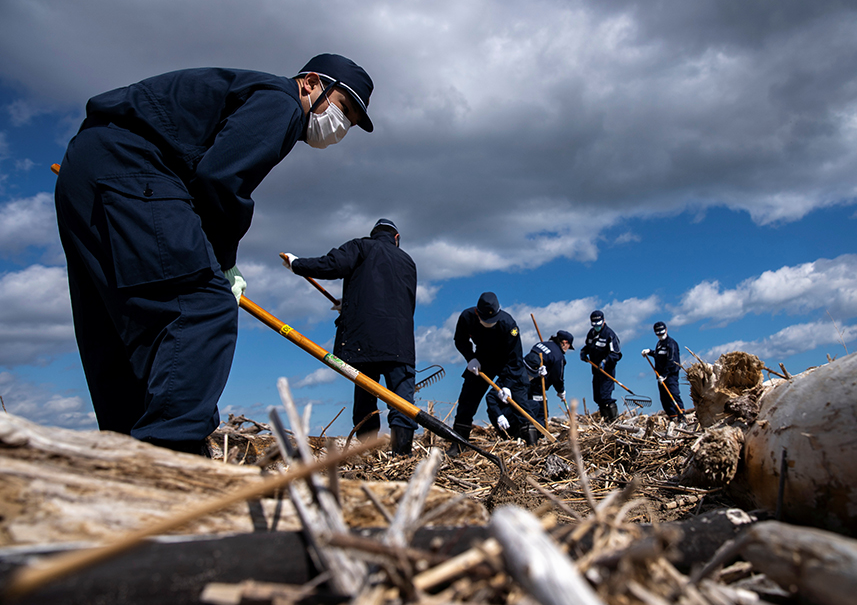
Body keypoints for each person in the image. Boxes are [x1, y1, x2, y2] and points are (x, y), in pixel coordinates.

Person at [54, 53, 375, 455]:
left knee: (124, 323)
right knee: (203, 307)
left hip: (87, 169)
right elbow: (221, 180)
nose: (341, 126)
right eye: (342, 108)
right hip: (134, 167)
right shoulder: (283, 101)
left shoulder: (251, 93)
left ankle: (124, 458)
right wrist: (221, 263)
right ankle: (172, 455)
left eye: (351, 123)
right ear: (310, 82)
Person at [282, 218, 418, 456]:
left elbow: (333, 265)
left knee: (365, 399)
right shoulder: (408, 261)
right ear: (397, 238)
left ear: (374, 234)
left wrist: (298, 265)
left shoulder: (361, 246)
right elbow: (399, 301)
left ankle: (367, 454)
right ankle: (402, 457)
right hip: (400, 342)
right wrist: (349, 304)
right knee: (402, 401)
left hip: (364, 341)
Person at [450, 292, 531, 454]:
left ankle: (531, 443)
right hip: (481, 360)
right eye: (485, 320)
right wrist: (470, 358)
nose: (489, 323)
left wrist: (507, 385)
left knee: (519, 398)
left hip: (507, 362)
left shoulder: (509, 325)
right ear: (477, 313)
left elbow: (515, 358)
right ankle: (458, 444)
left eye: (492, 320)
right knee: (468, 398)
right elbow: (460, 340)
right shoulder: (466, 317)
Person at [580, 310, 622, 422]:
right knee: (597, 397)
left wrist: (605, 361)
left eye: (598, 324)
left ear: (603, 321)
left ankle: (614, 421)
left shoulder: (609, 334)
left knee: (605, 396)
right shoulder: (591, 334)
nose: (597, 327)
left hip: (606, 371)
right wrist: (584, 352)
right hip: (595, 370)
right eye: (594, 325)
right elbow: (588, 346)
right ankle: (605, 420)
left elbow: (616, 354)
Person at [524, 330, 574, 420]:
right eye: (569, 346)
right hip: (537, 385)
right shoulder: (558, 357)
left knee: (527, 407)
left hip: (524, 381)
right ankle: (539, 432)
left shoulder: (540, 344)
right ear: (565, 343)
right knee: (541, 414)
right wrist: (561, 391)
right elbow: (557, 378)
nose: (567, 348)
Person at [641, 322, 683, 420]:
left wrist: (665, 374)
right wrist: (650, 352)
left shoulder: (671, 343)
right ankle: (672, 417)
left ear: (666, 330)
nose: (660, 336)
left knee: (673, 394)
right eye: (658, 334)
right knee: (664, 398)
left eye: (662, 333)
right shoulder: (659, 344)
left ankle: (681, 416)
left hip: (670, 375)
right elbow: (658, 355)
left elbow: (671, 360)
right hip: (660, 376)